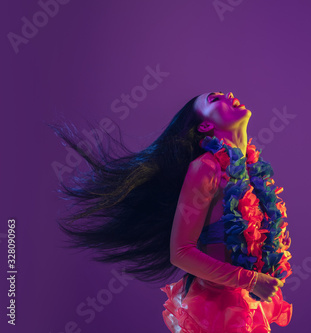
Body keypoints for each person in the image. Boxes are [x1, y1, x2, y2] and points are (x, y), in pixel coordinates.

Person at [51, 91, 293, 332]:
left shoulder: (253, 173)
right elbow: (181, 252)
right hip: (217, 312)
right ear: (206, 125)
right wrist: (250, 280)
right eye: (215, 99)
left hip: (248, 307)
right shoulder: (205, 168)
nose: (229, 94)